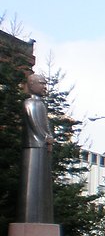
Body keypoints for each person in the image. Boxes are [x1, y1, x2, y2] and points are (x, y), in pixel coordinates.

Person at [18, 74, 55, 224]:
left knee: (43, 187)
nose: (45, 87)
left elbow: (45, 126)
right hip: (33, 147)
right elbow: (35, 125)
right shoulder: (30, 103)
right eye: (41, 83)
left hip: (42, 148)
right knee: (32, 185)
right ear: (32, 84)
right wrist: (46, 137)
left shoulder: (41, 104)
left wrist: (49, 137)